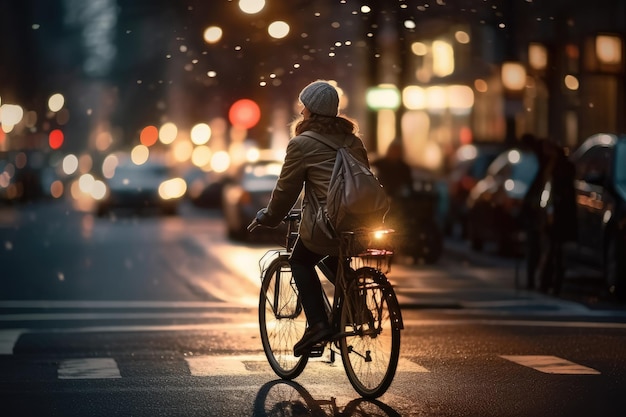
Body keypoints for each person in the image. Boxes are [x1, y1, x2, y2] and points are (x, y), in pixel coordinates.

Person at [253, 80, 371, 357]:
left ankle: (318, 324)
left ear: (309, 110)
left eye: (303, 105)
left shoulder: (301, 145)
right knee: (333, 255)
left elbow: (286, 191)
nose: (301, 110)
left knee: (300, 259)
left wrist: (269, 217)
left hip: (327, 225)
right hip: (361, 223)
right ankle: (357, 307)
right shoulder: (353, 141)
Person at [537, 143, 577, 295]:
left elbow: (553, 196)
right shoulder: (562, 169)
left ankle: (549, 283)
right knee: (556, 252)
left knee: (554, 251)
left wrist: (549, 213)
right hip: (562, 216)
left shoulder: (557, 170)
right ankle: (552, 284)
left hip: (558, 216)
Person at [520, 133, 550, 290]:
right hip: (536, 212)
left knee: (537, 247)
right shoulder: (538, 165)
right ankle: (536, 279)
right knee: (535, 247)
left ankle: (538, 280)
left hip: (540, 213)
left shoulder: (543, 165)